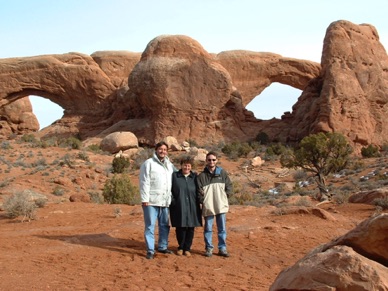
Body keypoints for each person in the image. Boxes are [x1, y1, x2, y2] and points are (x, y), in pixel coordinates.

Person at [139, 141, 177, 259]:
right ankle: (150, 249)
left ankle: (162, 246)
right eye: (160, 149)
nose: (163, 151)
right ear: (156, 150)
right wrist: (145, 199)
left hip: (165, 200)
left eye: (165, 149)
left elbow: (177, 176)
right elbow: (144, 181)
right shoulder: (148, 163)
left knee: (164, 225)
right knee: (150, 225)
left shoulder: (169, 165)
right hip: (151, 201)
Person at [197, 151, 233, 257]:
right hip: (208, 206)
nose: (211, 161)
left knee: (221, 228)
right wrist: (202, 200)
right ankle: (209, 248)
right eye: (209, 160)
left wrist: (225, 197)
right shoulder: (202, 176)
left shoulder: (222, 173)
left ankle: (222, 248)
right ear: (206, 161)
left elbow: (229, 186)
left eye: (213, 159)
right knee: (208, 228)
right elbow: (198, 191)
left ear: (216, 160)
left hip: (220, 205)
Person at [170, 156, 202, 257]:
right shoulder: (175, 176)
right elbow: (169, 190)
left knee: (191, 227)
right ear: (181, 165)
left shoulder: (195, 177)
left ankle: (187, 248)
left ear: (191, 166)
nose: (186, 167)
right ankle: (180, 247)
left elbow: (199, 191)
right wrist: (173, 201)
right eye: (185, 165)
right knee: (181, 227)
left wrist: (201, 201)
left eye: (188, 165)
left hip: (193, 205)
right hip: (179, 205)